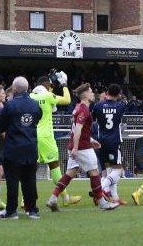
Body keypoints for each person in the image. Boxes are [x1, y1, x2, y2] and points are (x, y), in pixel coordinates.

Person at [46, 83, 118, 212]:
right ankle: (102, 202)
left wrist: (91, 140)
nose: (92, 94)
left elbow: (78, 129)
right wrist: (76, 147)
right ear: (85, 94)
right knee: (94, 172)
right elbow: (78, 129)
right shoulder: (84, 109)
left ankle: (53, 198)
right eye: (90, 92)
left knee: (70, 173)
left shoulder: (78, 107)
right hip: (82, 147)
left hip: (78, 144)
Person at [0, 76, 42, 219]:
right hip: (31, 147)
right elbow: (38, 118)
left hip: (14, 147)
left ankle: (11, 211)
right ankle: (32, 210)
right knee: (30, 180)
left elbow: (1, 126)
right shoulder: (35, 105)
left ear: (14, 89)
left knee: (13, 180)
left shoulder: (10, 105)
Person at [30, 72, 80, 206]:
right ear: (45, 84)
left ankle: (25, 200)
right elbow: (67, 100)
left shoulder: (30, 96)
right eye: (50, 85)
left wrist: (51, 87)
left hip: (31, 135)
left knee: (30, 168)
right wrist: (64, 84)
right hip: (46, 136)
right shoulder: (47, 95)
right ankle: (65, 198)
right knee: (54, 166)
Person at [93, 84, 127, 204]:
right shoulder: (120, 106)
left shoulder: (97, 106)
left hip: (100, 141)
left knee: (106, 171)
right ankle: (100, 189)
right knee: (117, 170)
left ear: (107, 92)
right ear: (118, 94)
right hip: (114, 141)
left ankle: (115, 198)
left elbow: (93, 120)